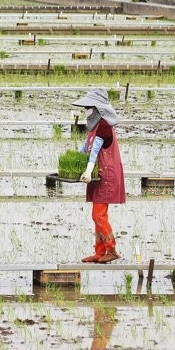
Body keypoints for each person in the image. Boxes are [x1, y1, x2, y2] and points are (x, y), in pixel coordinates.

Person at [72, 89, 125, 263]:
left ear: (97, 108)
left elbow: (95, 150)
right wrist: (74, 161)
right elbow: (86, 148)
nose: (86, 110)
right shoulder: (95, 125)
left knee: (98, 215)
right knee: (97, 214)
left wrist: (87, 170)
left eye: (88, 107)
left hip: (106, 175)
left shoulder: (104, 125)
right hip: (98, 174)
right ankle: (100, 252)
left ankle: (111, 249)